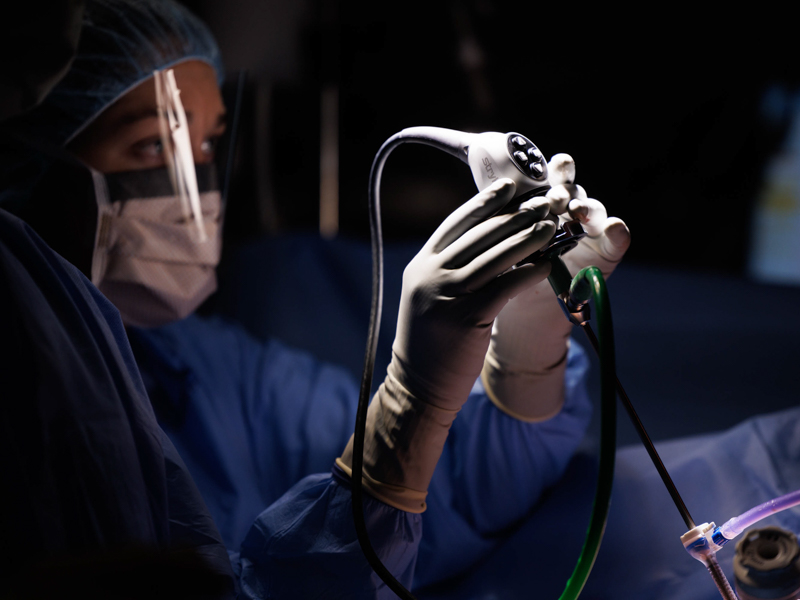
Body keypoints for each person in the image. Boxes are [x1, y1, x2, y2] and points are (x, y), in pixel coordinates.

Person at [0, 0, 630, 596]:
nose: (196, 188)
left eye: (209, 145)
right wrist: (407, 409)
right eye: (151, 146)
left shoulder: (201, 368)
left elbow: (462, 483)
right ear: (30, 161)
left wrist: (526, 337)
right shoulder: (42, 411)